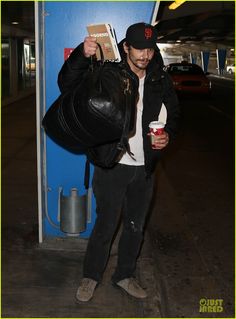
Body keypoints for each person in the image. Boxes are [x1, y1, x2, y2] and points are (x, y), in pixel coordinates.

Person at [58, 22, 180, 302]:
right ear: (126, 47)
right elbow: (66, 83)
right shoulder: (108, 72)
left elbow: (174, 113)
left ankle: (124, 275)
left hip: (145, 169)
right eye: (139, 48)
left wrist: (168, 136)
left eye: (149, 49)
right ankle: (90, 276)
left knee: (136, 226)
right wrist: (81, 55)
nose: (145, 55)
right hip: (113, 163)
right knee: (106, 225)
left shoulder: (160, 78)